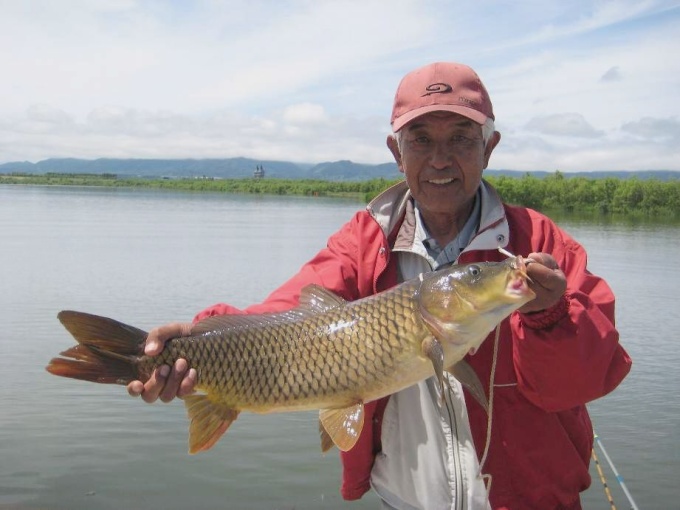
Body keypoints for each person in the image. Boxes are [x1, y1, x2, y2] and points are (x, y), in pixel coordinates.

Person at [127, 62, 632, 509]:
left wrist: (548, 314)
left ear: (489, 147)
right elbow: (287, 314)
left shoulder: (537, 243)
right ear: (396, 151)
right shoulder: (364, 241)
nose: (440, 159)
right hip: (403, 498)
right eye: (421, 140)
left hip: (532, 501)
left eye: (460, 137)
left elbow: (591, 376)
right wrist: (199, 335)